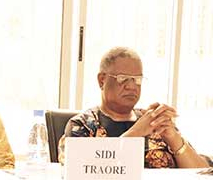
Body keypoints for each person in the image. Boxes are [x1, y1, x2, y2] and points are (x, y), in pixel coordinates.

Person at [59, 47, 210, 168]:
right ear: (102, 80)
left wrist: (174, 138)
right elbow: (81, 173)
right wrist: (137, 132)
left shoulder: (155, 122)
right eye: (123, 78)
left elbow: (202, 175)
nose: (131, 86)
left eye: (137, 79)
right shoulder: (83, 125)